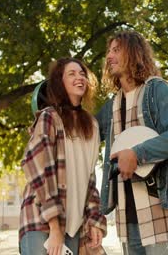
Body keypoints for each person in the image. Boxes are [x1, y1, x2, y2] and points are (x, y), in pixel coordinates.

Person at [96, 30, 168, 254]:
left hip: (159, 207)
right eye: (109, 51)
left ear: (133, 53)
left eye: (116, 50)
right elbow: (84, 133)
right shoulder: (112, 105)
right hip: (127, 213)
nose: (109, 57)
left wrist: (137, 153)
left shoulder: (156, 90)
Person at [19, 57, 106, 255]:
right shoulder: (49, 117)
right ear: (60, 82)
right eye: (72, 73)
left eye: (82, 73)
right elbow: (38, 169)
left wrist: (94, 221)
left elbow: (90, 180)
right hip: (41, 222)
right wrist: (54, 227)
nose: (80, 77)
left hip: (73, 227)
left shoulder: (91, 125)